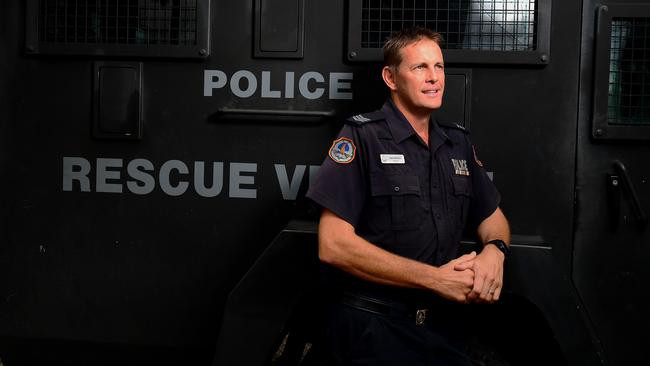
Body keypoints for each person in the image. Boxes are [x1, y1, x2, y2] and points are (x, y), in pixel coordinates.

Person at [305, 27, 511, 366]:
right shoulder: (363, 137)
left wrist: (495, 251)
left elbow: (494, 219)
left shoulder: (456, 142)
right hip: (374, 330)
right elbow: (333, 245)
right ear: (391, 77)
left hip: (443, 329)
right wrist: (436, 279)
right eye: (420, 68)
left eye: (439, 67)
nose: (434, 78)